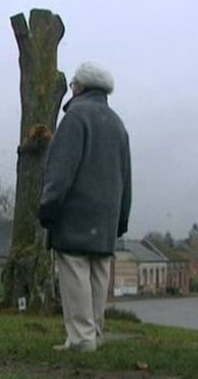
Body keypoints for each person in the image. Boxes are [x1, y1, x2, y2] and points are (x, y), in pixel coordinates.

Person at [38, 62, 131, 352]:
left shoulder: (76, 117)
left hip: (76, 212)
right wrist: (122, 217)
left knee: (75, 271)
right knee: (98, 277)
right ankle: (95, 333)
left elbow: (61, 169)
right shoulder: (118, 124)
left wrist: (49, 204)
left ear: (80, 87)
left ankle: (80, 338)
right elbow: (126, 177)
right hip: (107, 217)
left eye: (73, 84)